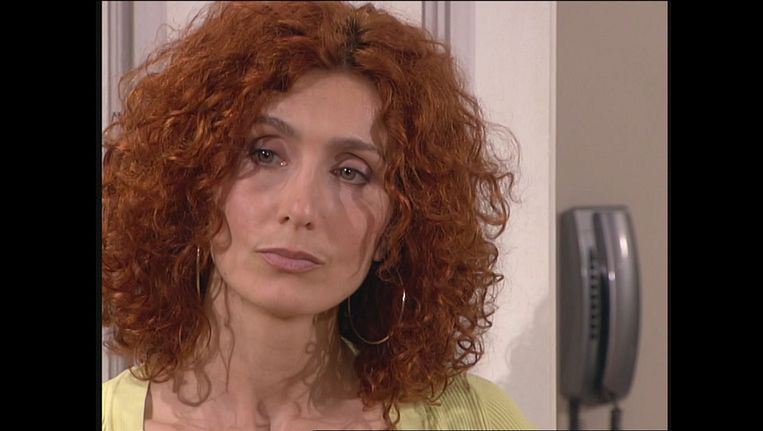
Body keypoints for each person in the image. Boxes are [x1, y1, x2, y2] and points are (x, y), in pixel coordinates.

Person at [102, 1, 535, 430]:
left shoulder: (476, 419)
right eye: (265, 154)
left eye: (350, 172)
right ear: (196, 181)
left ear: (400, 223)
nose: (301, 209)